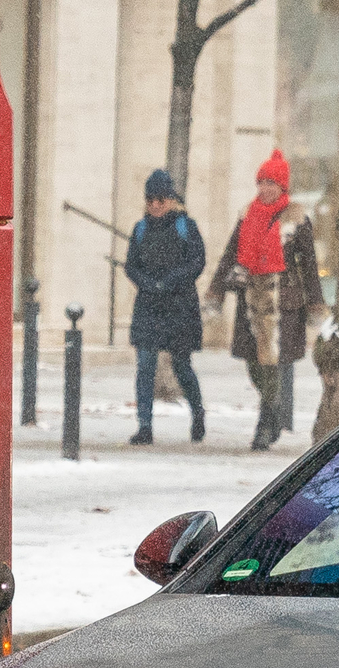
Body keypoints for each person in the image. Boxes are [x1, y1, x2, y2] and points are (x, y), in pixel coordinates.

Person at [210, 150, 321, 451]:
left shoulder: (297, 219)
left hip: (282, 304)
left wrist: (315, 304)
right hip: (250, 302)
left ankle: (265, 423)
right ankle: (273, 410)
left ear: (283, 187)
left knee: (271, 363)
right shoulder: (247, 214)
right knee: (253, 365)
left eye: (272, 183)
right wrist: (216, 291)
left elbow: (309, 264)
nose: (265, 188)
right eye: (261, 182)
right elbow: (230, 254)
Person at [123, 169, 207, 445]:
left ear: (170, 199)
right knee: (145, 364)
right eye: (150, 200)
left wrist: (171, 281)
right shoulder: (141, 228)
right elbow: (131, 265)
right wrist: (147, 283)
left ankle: (197, 412)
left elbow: (197, 262)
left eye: (160, 199)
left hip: (179, 306)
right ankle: (144, 425)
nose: (155, 205)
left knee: (182, 365)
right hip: (148, 305)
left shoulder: (186, 226)